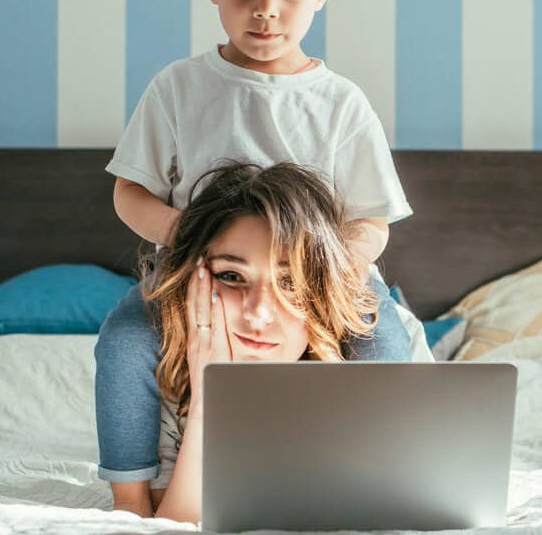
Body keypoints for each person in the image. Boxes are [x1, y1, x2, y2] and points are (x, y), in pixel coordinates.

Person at [95, 0, 414, 515]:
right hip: (201, 271)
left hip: (316, 278)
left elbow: (371, 221)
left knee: (385, 346)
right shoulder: (180, 88)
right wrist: (182, 237)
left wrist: (332, 270)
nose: (266, 9)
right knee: (124, 341)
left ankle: (395, 482)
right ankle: (131, 497)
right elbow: (129, 193)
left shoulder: (341, 104)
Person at [141, 162, 411, 523]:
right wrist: (210, 396)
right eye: (231, 276)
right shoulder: (159, 375)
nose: (259, 315)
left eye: (290, 283)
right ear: (193, 283)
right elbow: (177, 524)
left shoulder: (389, 350)